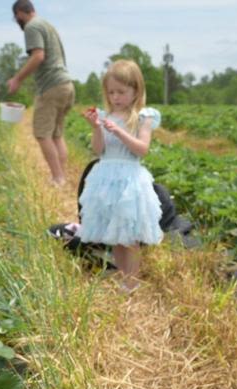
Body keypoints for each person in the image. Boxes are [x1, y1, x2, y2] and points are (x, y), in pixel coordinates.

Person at [76, 59, 163, 291]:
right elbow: (98, 150)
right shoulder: (107, 116)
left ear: (136, 90)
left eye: (121, 92)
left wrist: (121, 132)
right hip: (105, 176)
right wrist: (97, 128)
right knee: (113, 232)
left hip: (129, 178)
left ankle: (132, 281)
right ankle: (124, 277)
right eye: (111, 92)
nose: (116, 97)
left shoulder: (142, 117)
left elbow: (142, 149)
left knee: (130, 234)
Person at [7, 0, 74, 186]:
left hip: (51, 86)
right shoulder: (47, 25)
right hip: (66, 84)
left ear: (20, 12)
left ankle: (58, 178)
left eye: (16, 17)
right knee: (56, 134)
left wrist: (17, 79)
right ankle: (62, 177)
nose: (17, 21)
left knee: (42, 134)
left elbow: (38, 56)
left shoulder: (32, 27)